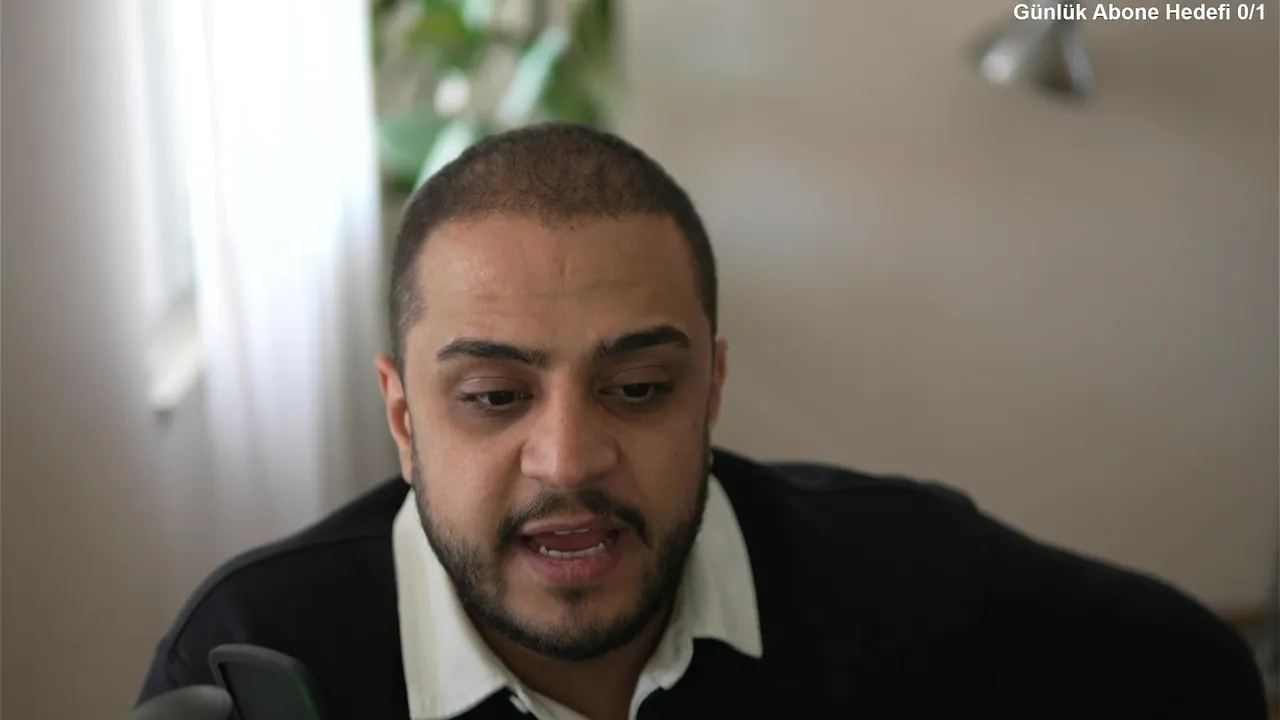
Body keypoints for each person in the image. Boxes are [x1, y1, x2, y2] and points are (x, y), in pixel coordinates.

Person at [136, 123, 1267, 720]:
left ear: (712, 390)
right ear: (401, 414)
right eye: (493, 397)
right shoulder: (257, 654)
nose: (568, 461)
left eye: (638, 389)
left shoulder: (910, 575)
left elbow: (1197, 676)